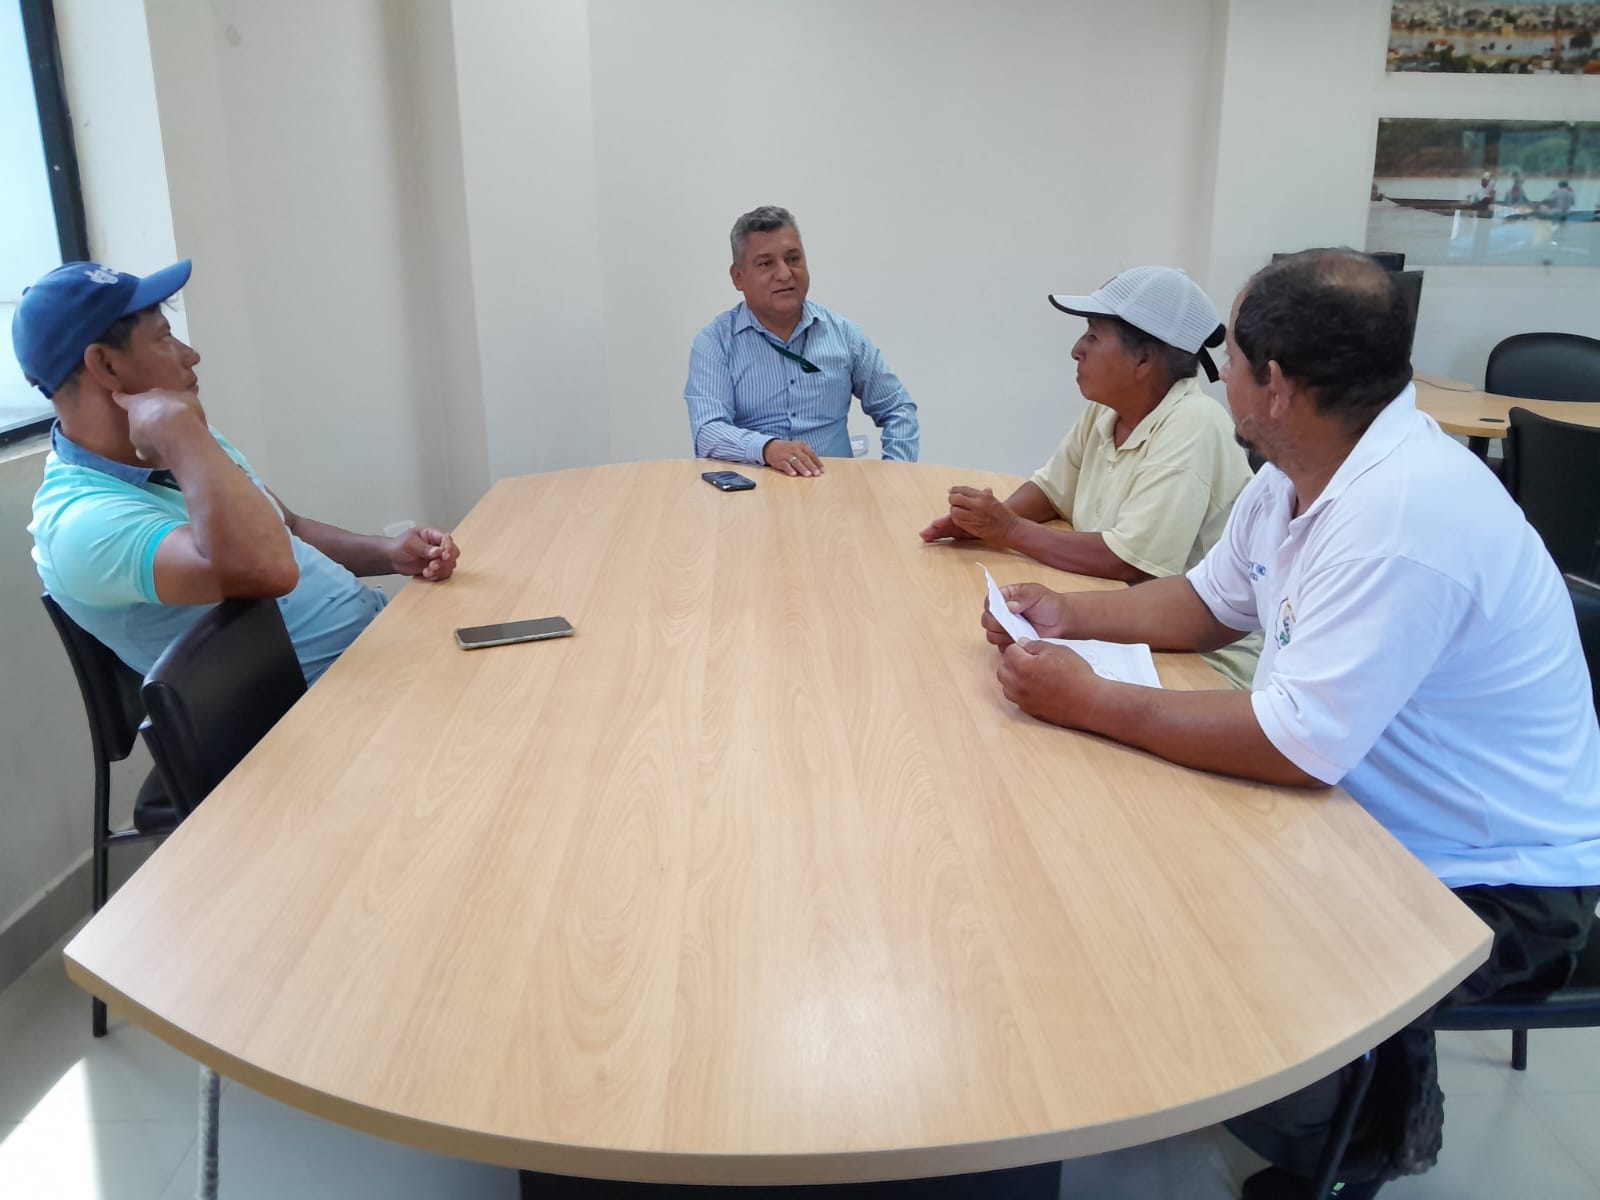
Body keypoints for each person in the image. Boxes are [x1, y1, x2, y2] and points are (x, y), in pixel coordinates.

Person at [989, 249, 1600, 1198]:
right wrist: (1069, 616)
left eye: (1230, 356)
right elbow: (1206, 603)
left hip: (1500, 882)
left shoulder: (1403, 515)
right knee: (1127, 858)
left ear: (1273, 384)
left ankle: (1350, 1148)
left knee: (1202, 931)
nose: (1216, 373)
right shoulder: (1297, 471)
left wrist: (1090, 699)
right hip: (1368, 808)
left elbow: (1294, 745)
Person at [19, 259, 460, 685]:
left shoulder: (184, 442)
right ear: (106, 366)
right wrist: (180, 431)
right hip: (317, 710)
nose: (191, 355)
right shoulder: (82, 524)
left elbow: (288, 528)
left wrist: (388, 553)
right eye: (164, 337)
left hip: (377, 651)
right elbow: (266, 569)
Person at [921, 266, 1258, 689]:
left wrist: (1006, 529)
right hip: (1127, 624)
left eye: (1094, 337)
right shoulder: (1107, 410)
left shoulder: (1194, 423)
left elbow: (1130, 561)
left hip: (1201, 663)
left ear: (1144, 359)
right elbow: (1052, 490)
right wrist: (984, 523)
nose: (1077, 350)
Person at [684, 206, 918, 477]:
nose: (784, 274)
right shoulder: (715, 343)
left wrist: (895, 477)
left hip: (834, 490)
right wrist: (767, 448)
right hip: (751, 493)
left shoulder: (844, 334)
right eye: (766, 263)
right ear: (738, 277)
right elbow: (707, 432)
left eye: (793, 259)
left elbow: (898, 408)